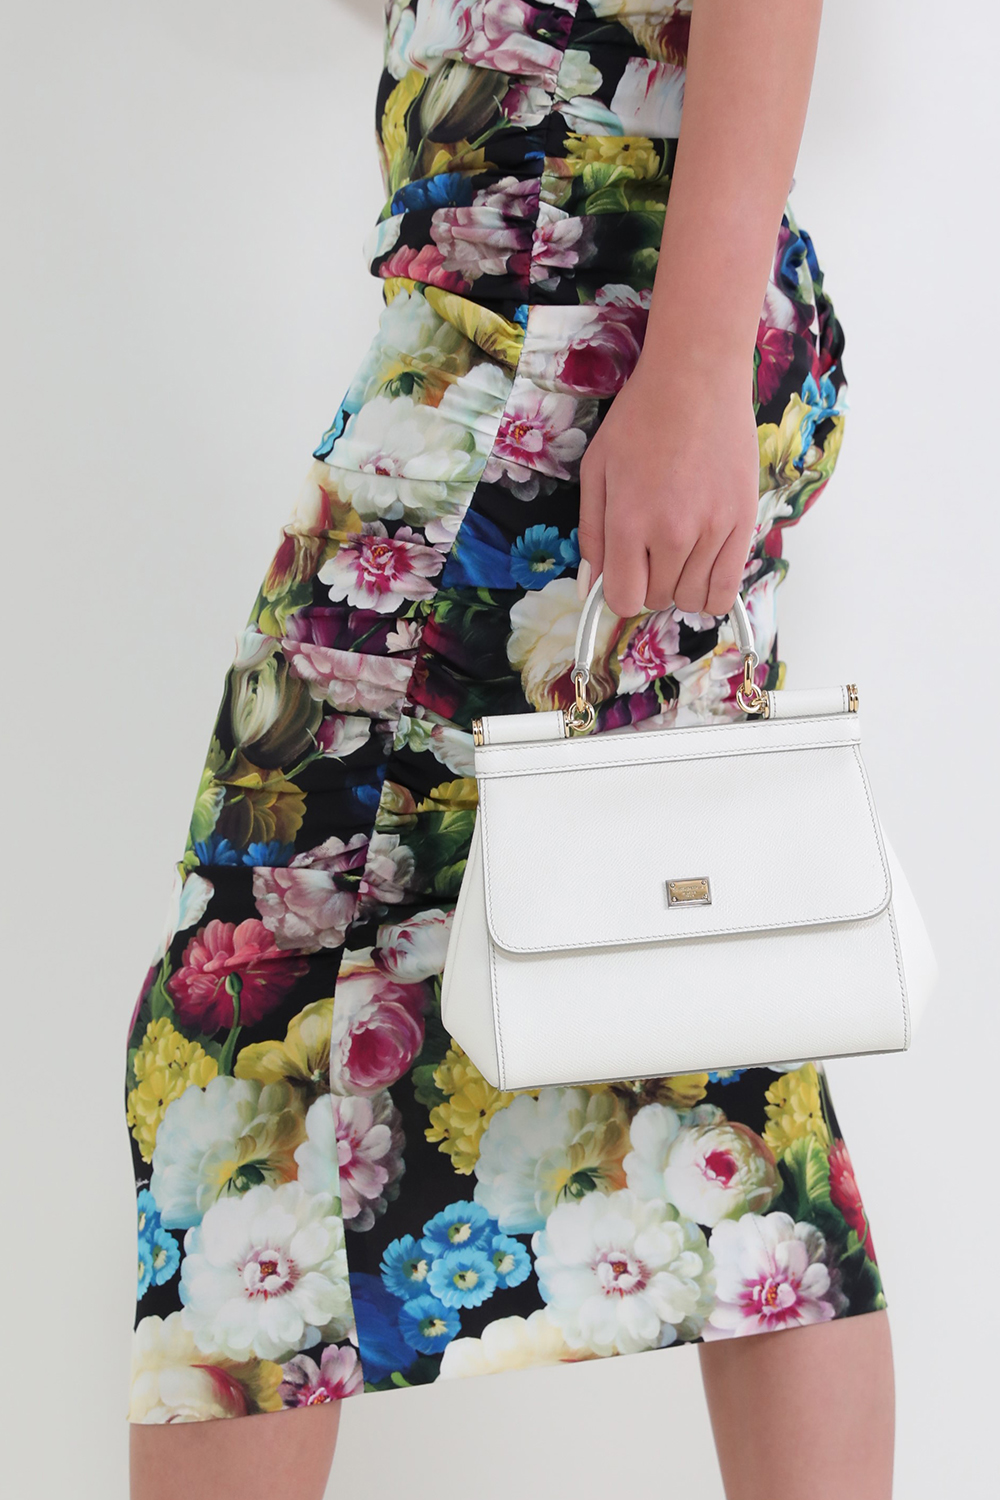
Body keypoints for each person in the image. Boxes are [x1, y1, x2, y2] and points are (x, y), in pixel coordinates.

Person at [126, 3, 894, 1498]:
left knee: (244, 1030)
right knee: (711, 1017)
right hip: (564, 311)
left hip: (561, 331)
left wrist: (691, 376)